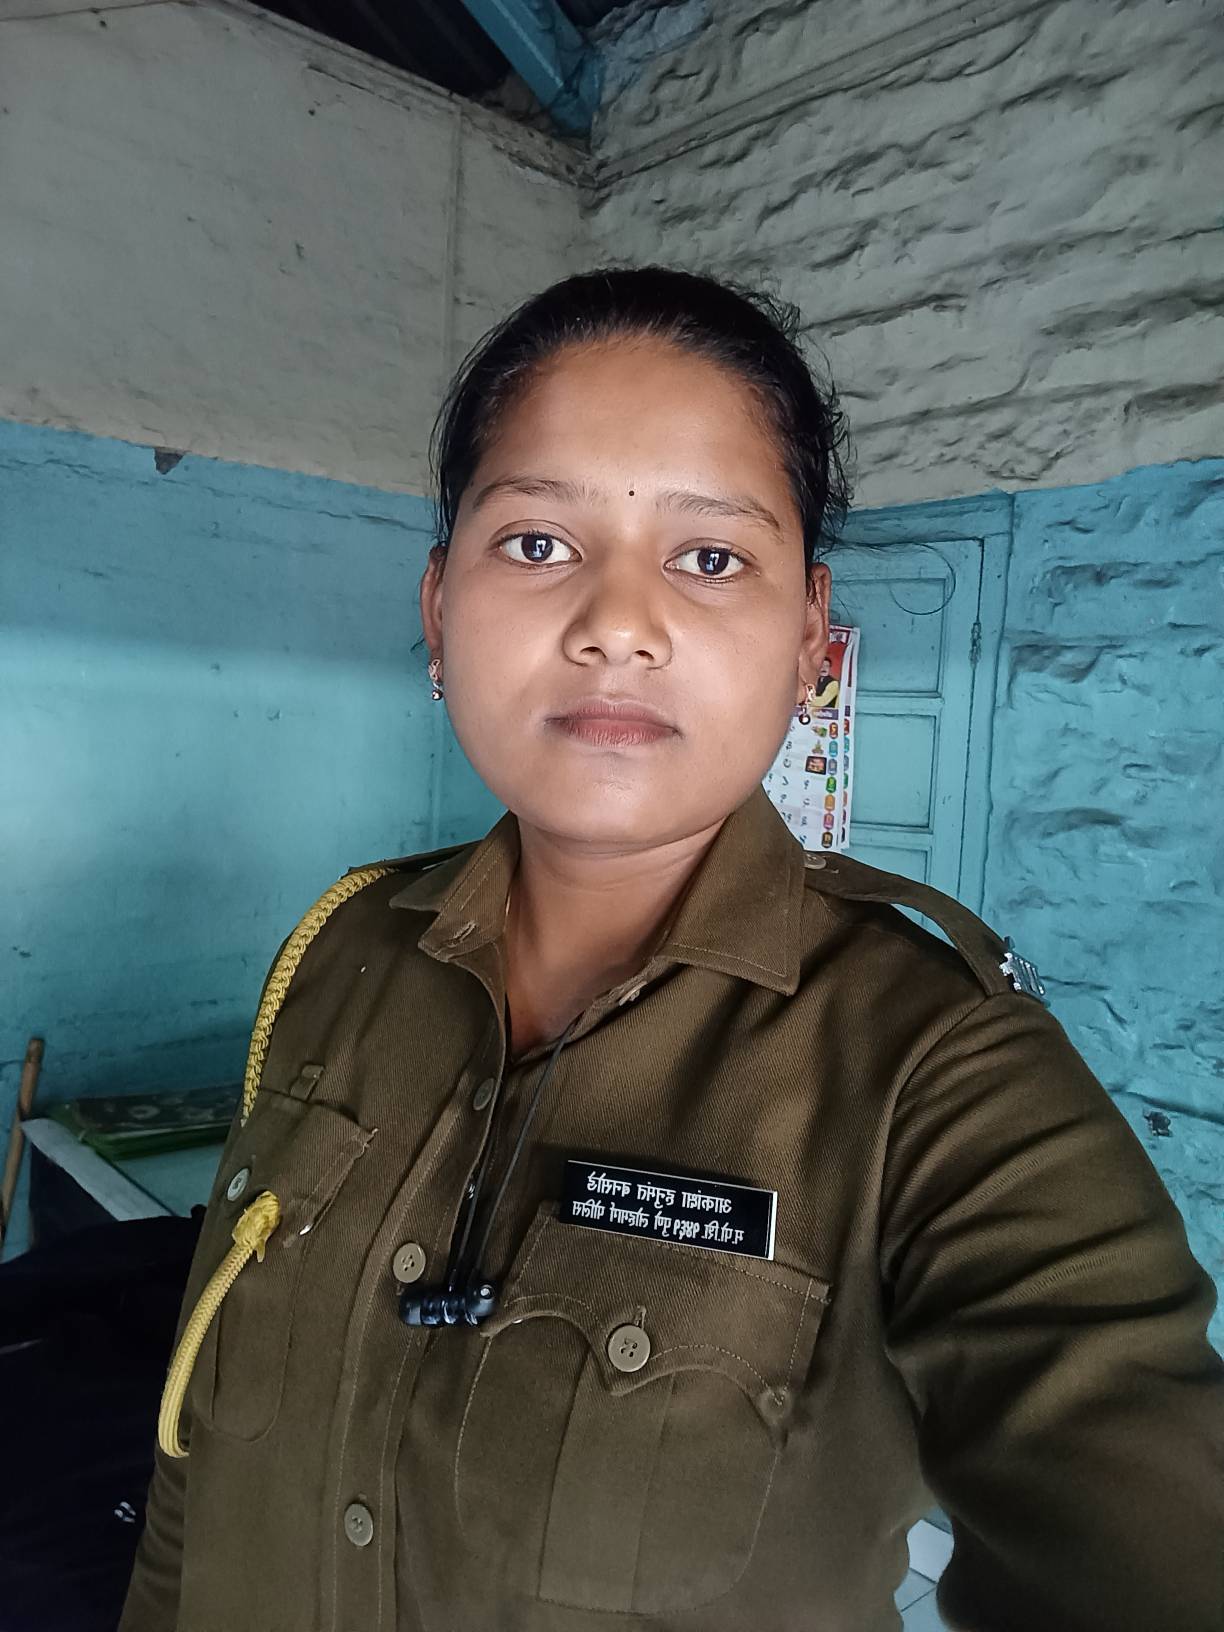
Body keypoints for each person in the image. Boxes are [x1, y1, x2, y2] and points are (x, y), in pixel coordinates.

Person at [120, 268, 1223, 1632]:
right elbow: (193, 1456)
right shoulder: (341, 950)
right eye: (537, 542)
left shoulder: (937, 1074)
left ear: (812, 637)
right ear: (438, 604)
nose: (616, 625)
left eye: (710, 558)